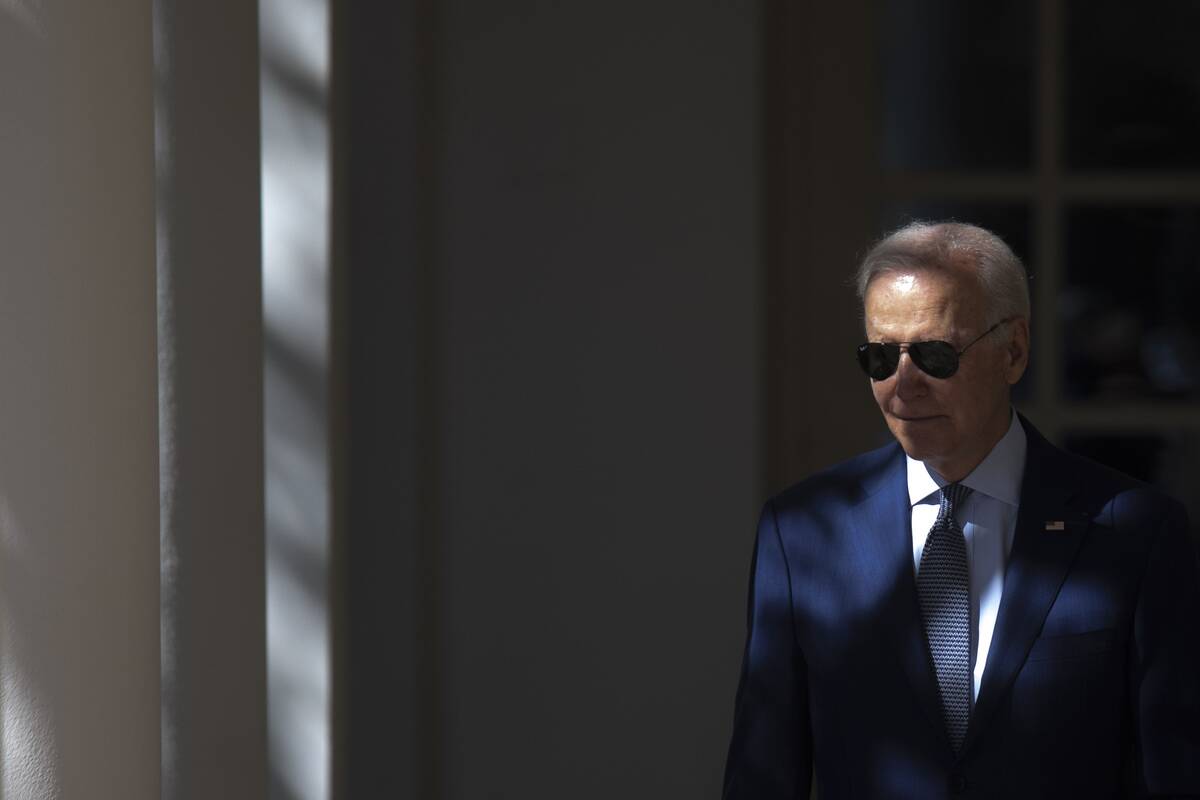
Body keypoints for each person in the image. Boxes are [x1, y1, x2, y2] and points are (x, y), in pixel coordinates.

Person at [722, 222, 1200, 799]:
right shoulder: (800, 533)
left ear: (1014, 351)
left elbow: (1173, 771)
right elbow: (764, 773)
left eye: (933, 355)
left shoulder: (1136, 531)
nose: (903, 387)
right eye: (880, 357)